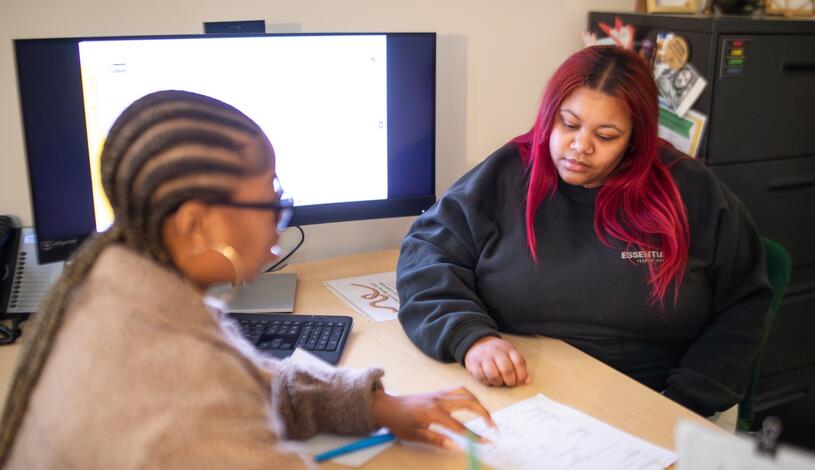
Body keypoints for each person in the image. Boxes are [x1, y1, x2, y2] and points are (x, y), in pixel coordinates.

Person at [0, 90, 493, 468]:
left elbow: (252, 384)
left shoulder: (116, 281)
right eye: (269, 199)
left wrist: (379, 407)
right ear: (195, 224)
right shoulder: (171, 383)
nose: (281, 216)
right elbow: (213, 397)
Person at [396, 46, 772, 418]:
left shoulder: (689, 190)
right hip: (523, 396)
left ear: (635, 141)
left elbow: (745, 303)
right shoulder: (509, 172)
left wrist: (684, 402)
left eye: (606, 136)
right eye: (569, 124)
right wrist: (470, 337)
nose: (579, 146)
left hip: (657, 402)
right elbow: (426, 253)